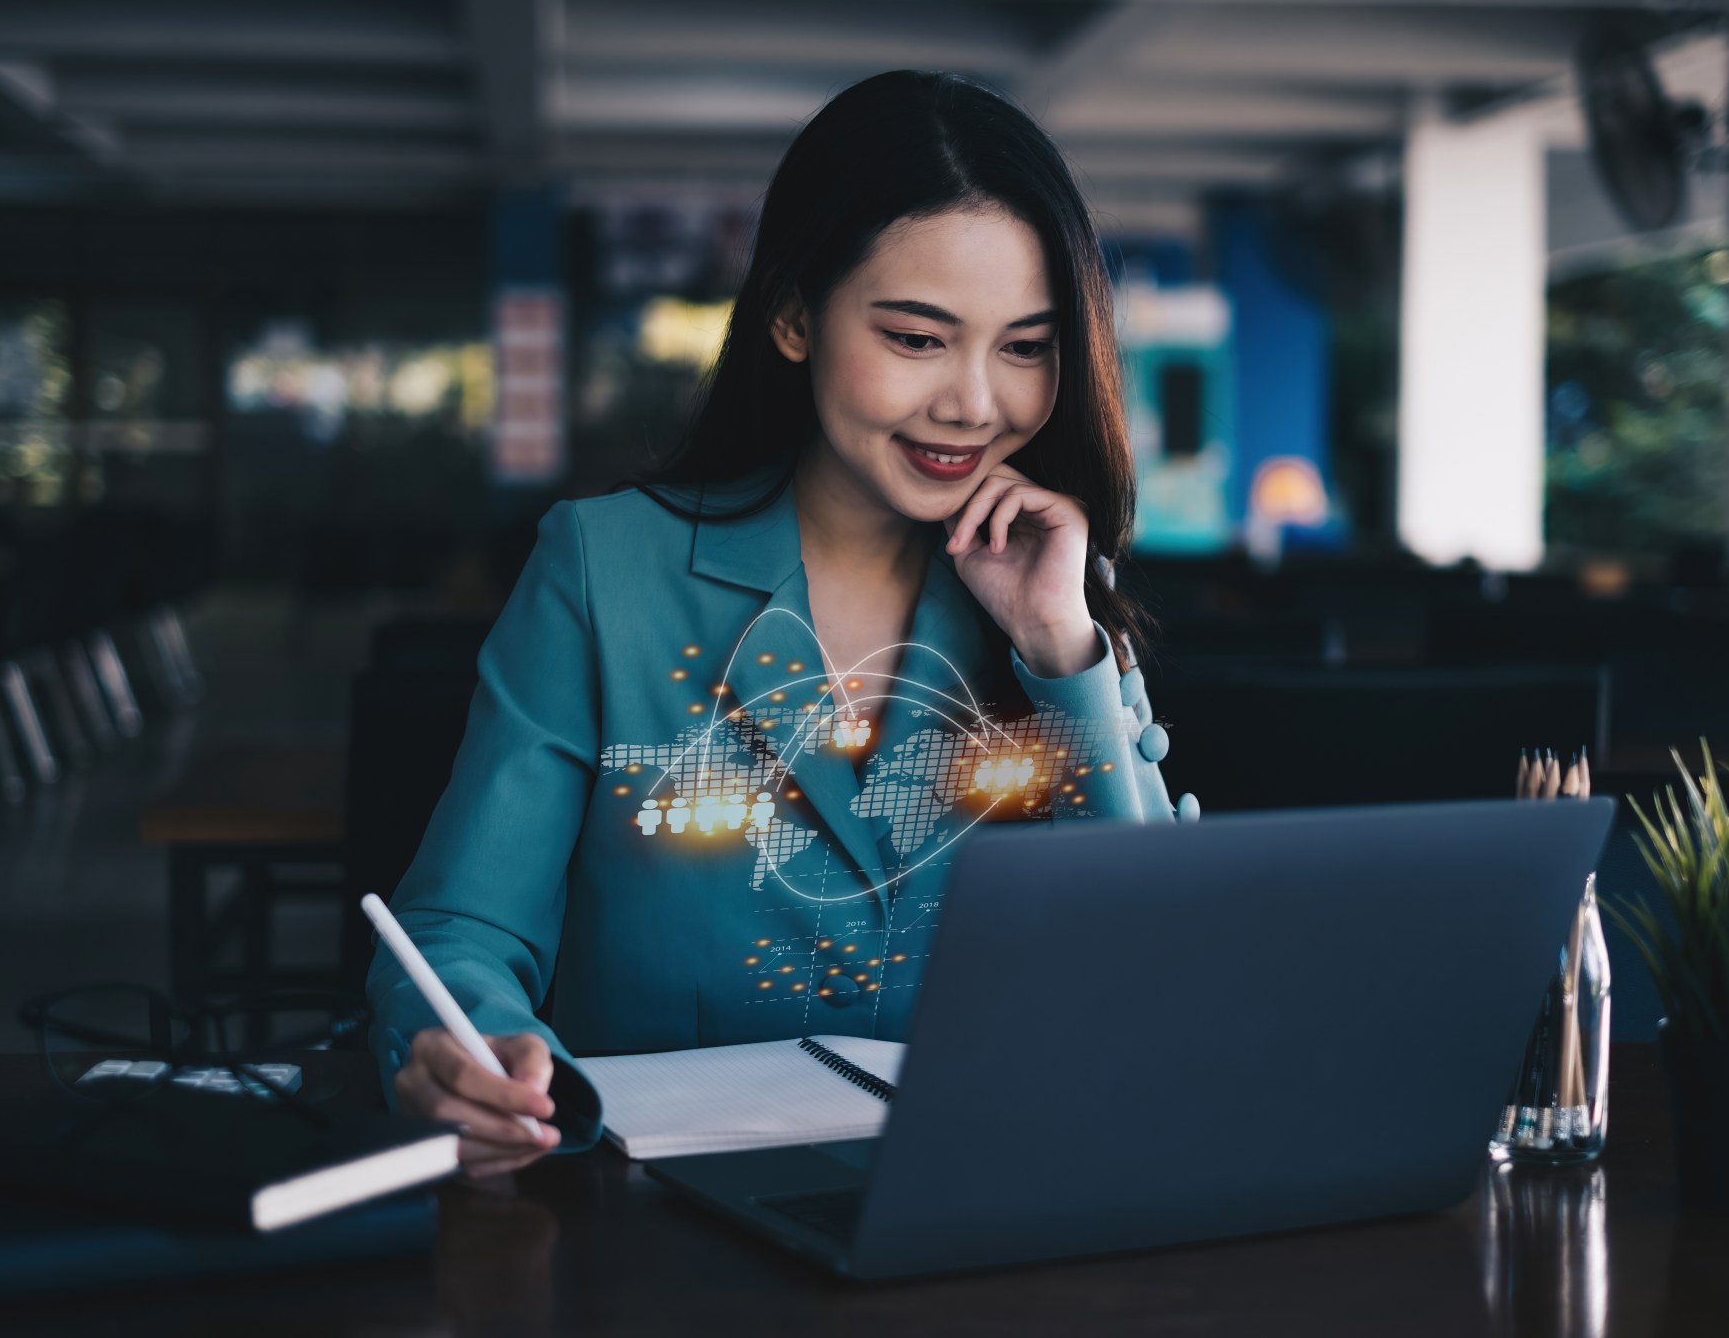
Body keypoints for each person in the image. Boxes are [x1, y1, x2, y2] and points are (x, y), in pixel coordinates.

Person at [368, 70, 1196, 1177]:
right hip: (653, 1216)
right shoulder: (603, 569)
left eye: (1025, 347)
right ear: (794, 315)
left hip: (976, 1207)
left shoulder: (1055, 608)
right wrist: (472, 1047)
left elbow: (1155, 983)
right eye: (916, 338)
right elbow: (462, 929)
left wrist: (1060, 650)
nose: (974, 405)